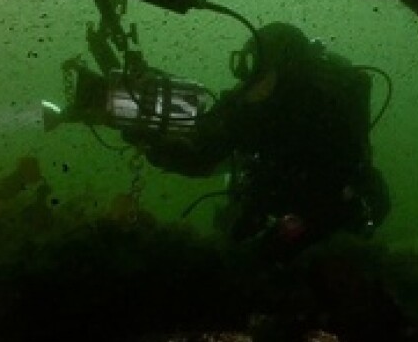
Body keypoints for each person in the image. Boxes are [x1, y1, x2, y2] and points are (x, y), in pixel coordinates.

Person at [121, 22, 389, 253]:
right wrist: (155, 145)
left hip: (327, 211)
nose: (247, 79)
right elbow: (204, 152)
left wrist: (288, 235)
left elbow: (342, 191)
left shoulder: (327, 110)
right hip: (270, 204)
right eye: (247, 64)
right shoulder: (249, 103)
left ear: (286, 70)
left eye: (258, 66)